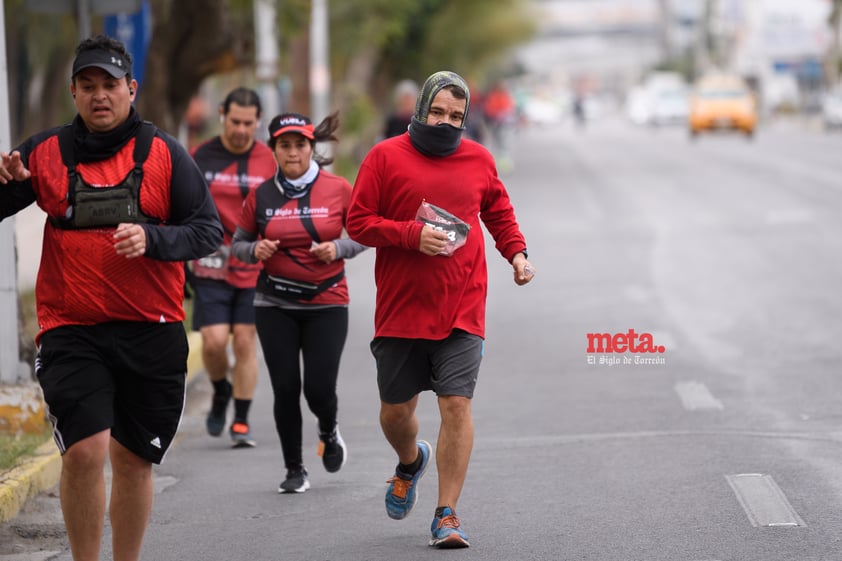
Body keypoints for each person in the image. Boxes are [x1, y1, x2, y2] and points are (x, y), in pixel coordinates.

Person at [0, 35, 222, 561]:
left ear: (131, 89)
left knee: (130, 459)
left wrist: (153, 238)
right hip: (70, 327)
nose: (100, 95)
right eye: (88, 85)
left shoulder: (164, 153)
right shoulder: (44, 152)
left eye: (110, 85)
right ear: (73, 92)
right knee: (85, 451)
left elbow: (208, 230)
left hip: (151, 327)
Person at [346, 70, 534, 549]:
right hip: (401, 308)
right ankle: (410, 461)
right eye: (438, 112)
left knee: (456, 404)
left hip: (462, 303)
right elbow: (359, 222)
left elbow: (498, 212)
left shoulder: (478, 159)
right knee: (395, 412)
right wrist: (410, 234)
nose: (446, 122)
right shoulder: (385, 157)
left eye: (456, 116)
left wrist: (517, 254)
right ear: (420, 109)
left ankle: (446, 514)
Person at [231, 111, 366, 493]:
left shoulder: (338, 189)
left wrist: (337, 247)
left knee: (319, 390)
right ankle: (294, 469)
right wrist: (255, 248)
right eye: (284, 145)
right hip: (273, 303)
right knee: (286, 388)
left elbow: (364, 234)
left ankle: (328, 428)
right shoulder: (260, 195)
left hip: (327, 301)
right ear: (273, 149)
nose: (293, 153)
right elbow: (238, 245)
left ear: (312, 147)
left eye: (300, 145)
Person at [188, 87, 276, 448]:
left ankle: (240, 419)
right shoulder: (200, 156)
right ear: (222, 114)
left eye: (249, 123)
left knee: (244, 340)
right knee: (211, 343)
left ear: (258, 122)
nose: (241, 130)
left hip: (254, 263)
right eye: (235, 121)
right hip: (209, 262)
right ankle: (221, 389)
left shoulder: (269, 160)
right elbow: (184, 204)